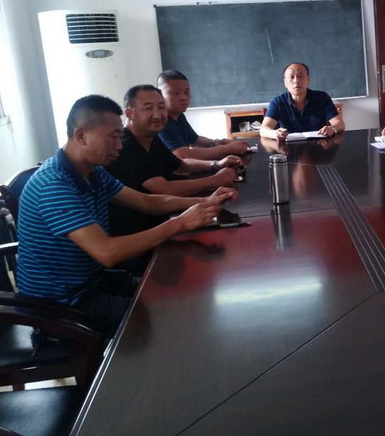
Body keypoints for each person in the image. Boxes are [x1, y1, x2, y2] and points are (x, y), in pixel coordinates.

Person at [16, 95, 238, 337]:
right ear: (81, 135)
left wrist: (204, 202)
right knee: (164, 324)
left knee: (177, 300)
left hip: (91, 282)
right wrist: (179, 223)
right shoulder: (54, 185)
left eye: (120, 137)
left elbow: (146, 201)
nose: (119, 146)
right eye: (112, 137)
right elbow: (107, 252)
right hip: (60, 305)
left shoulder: (94, 172)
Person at [106, 84, 243, 237]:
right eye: (148, 108)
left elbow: (181, 165)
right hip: (137, 233)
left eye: (161, 107)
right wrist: (213, 181)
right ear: (129, 113)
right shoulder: (125, 146)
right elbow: (165, 189)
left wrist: (216, 165)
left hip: (160, 221)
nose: (157, 114)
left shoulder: (150, 137)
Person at [157, 69, 250, 159]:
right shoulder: (161, 121)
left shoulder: (179, 116)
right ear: (159, 95)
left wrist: (216, 142)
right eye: (176, 93)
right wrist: (228, 149)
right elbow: (183, 155)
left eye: (186, 92)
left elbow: (195, 141)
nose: (184, 97)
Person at [260, 62, 346, 140]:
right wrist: (274, 133)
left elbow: (340, 123)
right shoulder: (278, 102)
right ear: (285, 82)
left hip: (318, 146)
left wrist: (332, 129)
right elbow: (263, 129)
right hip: (288, 148)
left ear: (308, 80)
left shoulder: (322, 97)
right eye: (291, 77)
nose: (296, 81)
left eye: (300, 76)